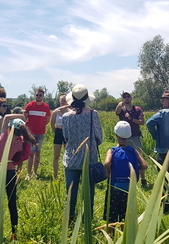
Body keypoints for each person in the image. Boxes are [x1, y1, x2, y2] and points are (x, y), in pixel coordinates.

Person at [62, 84, 103, 220]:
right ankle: (87, 219)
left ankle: (70, 218)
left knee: (70, 191)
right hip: (89, 159)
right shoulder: (93, 114)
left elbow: (66, 137)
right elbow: (99, 138)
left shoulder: (66, 117)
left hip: (71, 159)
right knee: (88, 192)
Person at [0, 115, 35, 241]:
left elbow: (6, 117)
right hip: (10, 172)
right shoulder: (20, 142)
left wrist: (22, 115)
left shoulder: (5, 135)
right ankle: (14, 234)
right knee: (12, 204)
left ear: (10, 128)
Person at [103, 121, 148, 232]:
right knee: (126, 215)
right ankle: (124, 239)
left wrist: (108, 172)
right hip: (129, 190)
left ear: (116, 135)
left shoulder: (112, 150)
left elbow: (107, 163)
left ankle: (111, 238)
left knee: (112, 216)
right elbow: (144, 166)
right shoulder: (133, 151)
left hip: (114, 188)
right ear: (129, 136)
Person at [114, 92, 147, 187]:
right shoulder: (121, 109)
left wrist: (131, 118)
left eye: (128, 97)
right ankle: (126, 176)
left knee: (138, 157)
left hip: (135, 136)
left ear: (131, 98)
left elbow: (142, 122)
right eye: (124, 97)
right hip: (123, 137)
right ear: (122, 99)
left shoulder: (137, 109)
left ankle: (143, 179)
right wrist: (119, 105)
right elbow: (116, 112)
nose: (126, 98)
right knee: (123, 156)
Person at [24, 88, 51, 179]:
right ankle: (28, 173)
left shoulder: (46, 107)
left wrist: (41, 126)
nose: (38, 96)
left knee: (37, 152)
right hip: (30, 133)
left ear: (43, 96)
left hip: (40, 133)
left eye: (40, 95)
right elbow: (25, 117)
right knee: (31, 152)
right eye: (37, 95)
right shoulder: (29, 105)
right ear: (35, 95)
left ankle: (35, 172)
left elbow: (47, 119)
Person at [50, 93, 71, 179]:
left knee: (68, 155)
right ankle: (55, 175)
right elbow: (52, 124)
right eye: (61, 101)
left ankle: (67, 174)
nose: (62, 102)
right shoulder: (55, 112)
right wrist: (56, 131)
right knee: (56, 155)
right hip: (58, 132)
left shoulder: (70, 111)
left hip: (67, 133)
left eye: (64, 100)